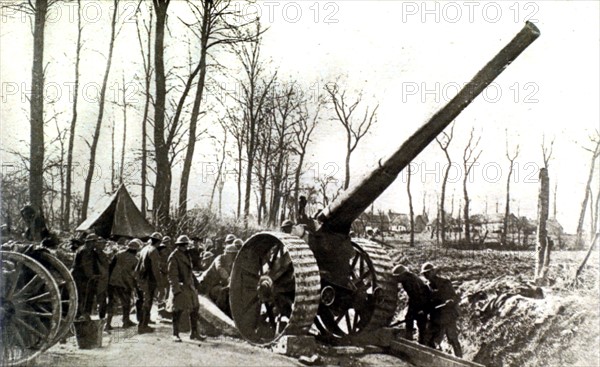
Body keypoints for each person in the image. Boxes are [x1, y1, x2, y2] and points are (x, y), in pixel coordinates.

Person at [166, 235, 205, 342]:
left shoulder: (186, 255)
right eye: (184, 245)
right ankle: (175, 334)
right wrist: (176, 289)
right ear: (179, 245)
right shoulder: (174, 256)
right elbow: (172, 275)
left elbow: (189, 271)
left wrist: (196, 284)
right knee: (177, 311)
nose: (186, 247)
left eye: (186, 245)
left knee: (195, 309)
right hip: (180, 287)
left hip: (189, 286)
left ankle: (194, 333)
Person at [421, 262, 462, 357]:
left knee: (453, 339)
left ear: (433, 272)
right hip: (435, 317)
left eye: (428, 272)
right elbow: (427, 303)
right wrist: (424, 310)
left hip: (448, 316)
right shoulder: (427, 287)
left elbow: (455, 298)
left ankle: (460, 360)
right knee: (430, 339)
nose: (426, 275)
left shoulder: (445, 283)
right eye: (424, 274)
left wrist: (451, 301)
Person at [106, 239, 141, 330]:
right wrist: (136, 287)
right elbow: (135, 275)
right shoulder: (135, 260)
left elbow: (110, 267)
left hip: (112, 282)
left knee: (111, 303)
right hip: (124, 284)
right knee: (126, 303)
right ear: (136, 250)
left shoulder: (118, 254)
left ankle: (108, 324)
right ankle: (126, 322)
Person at [392, 264, 431, 344]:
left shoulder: (410, 280)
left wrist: (420, 309)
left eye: (398, 277)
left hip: (421, 302)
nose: (397, 279)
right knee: (410, 318)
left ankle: (418, 342)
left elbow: (418, 294)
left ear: (402, 275)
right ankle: (411, 340)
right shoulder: (408, 278)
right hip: (416, 301)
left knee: (420, 321)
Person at [135, 232, 165, 333]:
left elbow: (138, 266)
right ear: (159, 242)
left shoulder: (144, 249)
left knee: (145, 301)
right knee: (147, 302)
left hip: (143, 279)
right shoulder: (154, 251)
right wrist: (160, 285)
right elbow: (156, 270)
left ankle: (143, 324)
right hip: (149, 280)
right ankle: (143, 326)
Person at [197, 244, 238, 316]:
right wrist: (229, 279)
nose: (233, 257)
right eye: (232, 254)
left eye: (234, 254)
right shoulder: (219, 258)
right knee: (222, 292)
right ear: (227, 253)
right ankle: (221, 310)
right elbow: (220, 269)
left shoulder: (230, 263)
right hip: (206, 284)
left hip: (216, 284)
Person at [71, 233, 102, 319]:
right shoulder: (85, 251)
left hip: (85, 277)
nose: (96, 243)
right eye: (95, 242)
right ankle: (82, 315)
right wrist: (92, 276)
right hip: (81, 277)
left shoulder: (90, 251)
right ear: (90, 242)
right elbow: (86, 265)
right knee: (84, 296)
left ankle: (84, 314)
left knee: (87, 295)